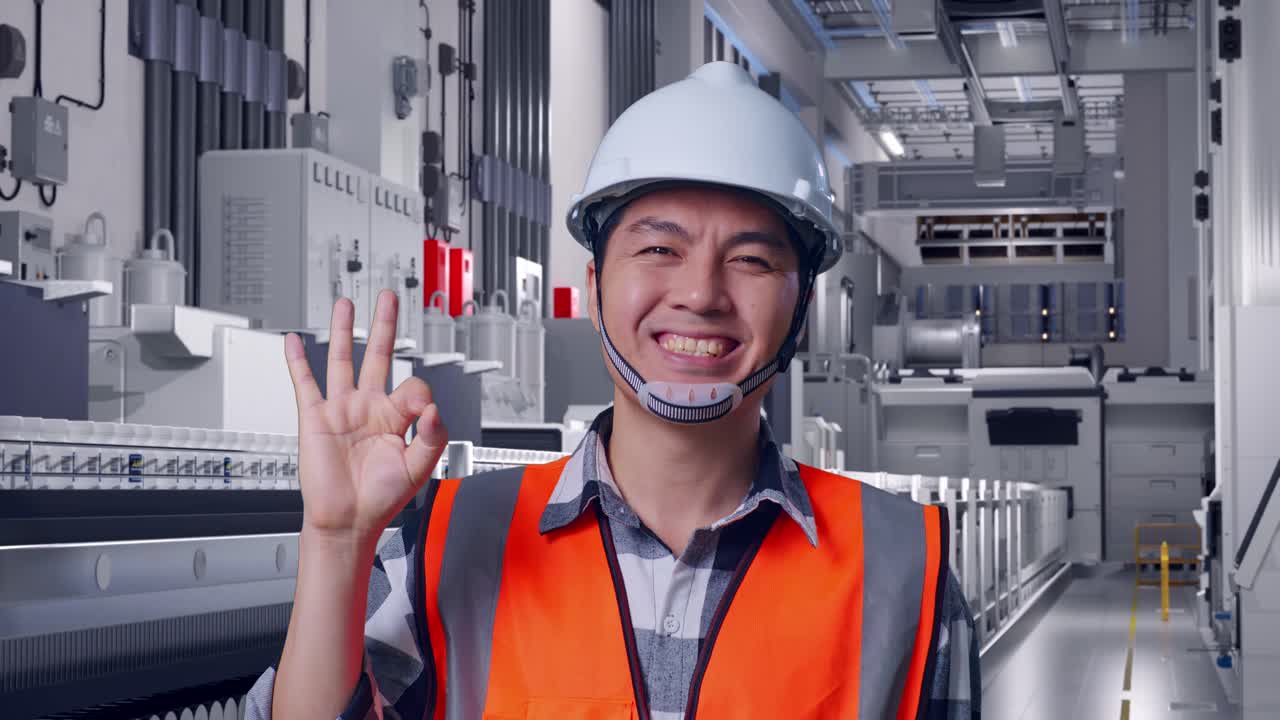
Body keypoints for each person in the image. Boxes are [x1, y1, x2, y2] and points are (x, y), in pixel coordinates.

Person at [246, 61, 979, 720]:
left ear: (802, 308)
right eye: (659, 248)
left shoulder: (904, 573)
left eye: (751, 260)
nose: (701, 293)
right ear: (595, 288)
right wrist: (335, 544)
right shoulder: (448, 542)